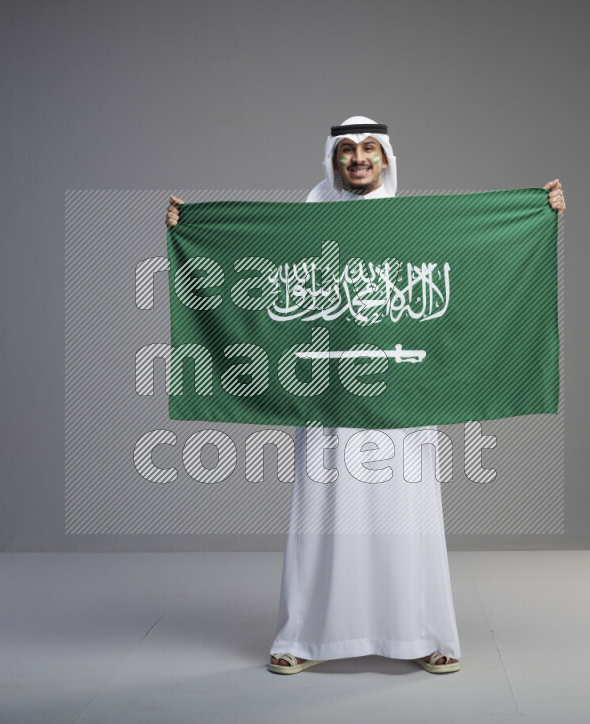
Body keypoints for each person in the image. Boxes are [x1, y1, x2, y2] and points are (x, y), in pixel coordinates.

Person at [165, 117, 566, 676]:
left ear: (386, 159)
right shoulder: (303, 228)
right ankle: (303, 637)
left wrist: (536, 215)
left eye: (369, 149)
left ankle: (425, 634)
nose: (358, 158)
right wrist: (192, 228)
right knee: (321, 516)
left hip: (401, 400)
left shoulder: (416, 228)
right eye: (348, 150)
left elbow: (478, 263)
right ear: (332, 160)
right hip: (327, 398)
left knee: (408, 515)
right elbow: (242, 268)